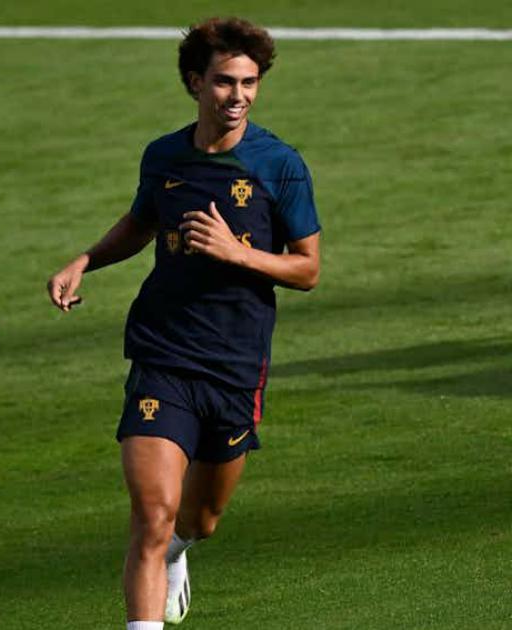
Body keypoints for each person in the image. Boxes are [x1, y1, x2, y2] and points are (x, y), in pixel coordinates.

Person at [45, 17, 321, 629]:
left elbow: (308, 270)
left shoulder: (281, 167)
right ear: (196, 82)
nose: (239, 96)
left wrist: (237, 252)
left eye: (250, 83)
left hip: (235, 364)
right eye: (225, 82)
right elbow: (143, 220)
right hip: (163, 353)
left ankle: (179, 552)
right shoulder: (164, 156)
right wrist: (86, 260)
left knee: (198, 521)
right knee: (152, 512)